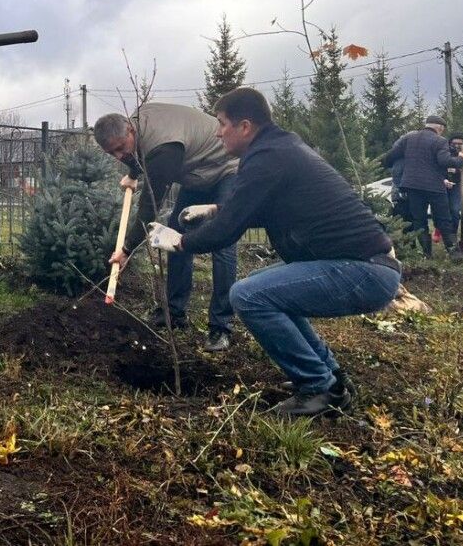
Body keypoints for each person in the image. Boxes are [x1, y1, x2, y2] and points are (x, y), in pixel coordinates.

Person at [121, 87, 401, 417]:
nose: (217, 131)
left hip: (362, 271)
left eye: (223, 123)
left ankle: (317, 387)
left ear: (245, 126)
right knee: (264, 286)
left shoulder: (268, 157)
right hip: (362, 268)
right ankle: (334, 380)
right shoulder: (277, 149)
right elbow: (253, 206)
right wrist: (215, 209)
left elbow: (228, 231)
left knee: (249, 295)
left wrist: (180, 242)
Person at [93, 103, 239, 352]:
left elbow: (151, 205)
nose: (118, 155)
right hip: (197, 173)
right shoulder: (138, 122)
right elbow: (137, 153)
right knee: (175, 236)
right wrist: (133, 172)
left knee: (222, 241)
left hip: (226, 169)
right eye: (111, 153)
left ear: (130, 129)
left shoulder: (164, 147)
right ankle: (174, 314)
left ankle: (220, 327)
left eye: (120, 148)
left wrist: (127, 249)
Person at [382, 116, 463, 262]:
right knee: (443, 218)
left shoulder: (408, 138)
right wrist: (461, 159)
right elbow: (444, 161)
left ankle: (427, 254)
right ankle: (454, 253)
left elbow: (390, 157)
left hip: (412, 186)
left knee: (419, 220)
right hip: (434, 186)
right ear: (440, 128)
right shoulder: (439, 141)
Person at [445, 133, 463, 245]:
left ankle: (453, 236)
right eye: (454, 143)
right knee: (443, 212)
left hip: (457, 186)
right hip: (442, 184)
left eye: (460, 144)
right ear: (450, 143)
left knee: (455, 210)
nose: (457, 146)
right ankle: (441, 231)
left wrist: (458, 171)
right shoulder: (444, 153)